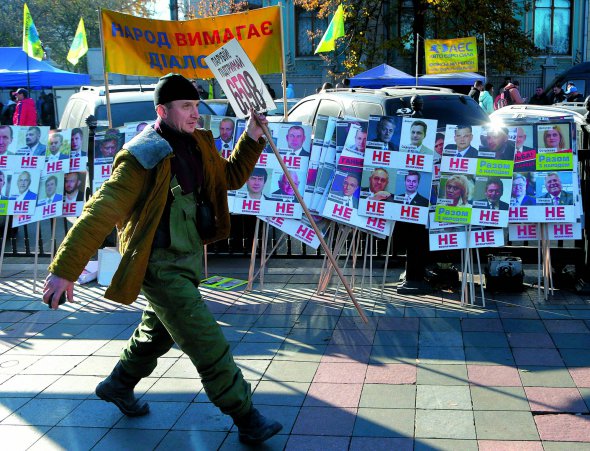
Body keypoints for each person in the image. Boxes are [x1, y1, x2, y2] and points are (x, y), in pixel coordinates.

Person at [42, 73, 281, 445]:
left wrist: (252, 136)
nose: (194, 114)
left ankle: (118, 385)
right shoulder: (143, 156)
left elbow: (230, 177)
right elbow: (100, 211)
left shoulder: (199, 142)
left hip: (186, 260)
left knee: (156, 334)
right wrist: (64, 270)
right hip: (158, 265)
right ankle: (246, 416)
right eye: (186, 107)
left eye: (196, 106)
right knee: (204, 339)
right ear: (162, 111)